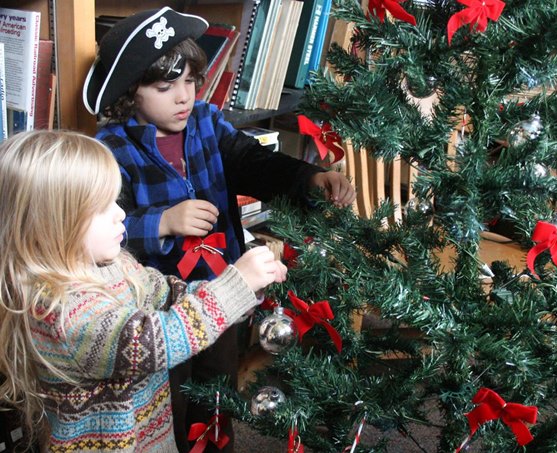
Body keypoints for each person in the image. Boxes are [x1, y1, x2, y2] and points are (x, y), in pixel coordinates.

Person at [82, 7, 356, 452]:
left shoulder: (208, 123)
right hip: (160, 310)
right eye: (164, 86)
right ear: (132, 91)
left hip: (222, 291)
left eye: (189, 81)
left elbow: (254, 162)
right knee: (166, 396)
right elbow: (99, 234)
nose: (182, 97)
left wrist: (308, 178)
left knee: (217, 389)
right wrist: (163, 222)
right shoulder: (111, 149)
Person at [0, 130, 287, 452]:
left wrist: (244, 293)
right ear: (52, 226)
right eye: (100, 207)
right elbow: (157, 340)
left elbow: (167, 293)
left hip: (151, 437)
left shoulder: (113, 266)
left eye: (115, 200)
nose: (120, 213)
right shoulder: (60, 311)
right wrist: (234, 287)